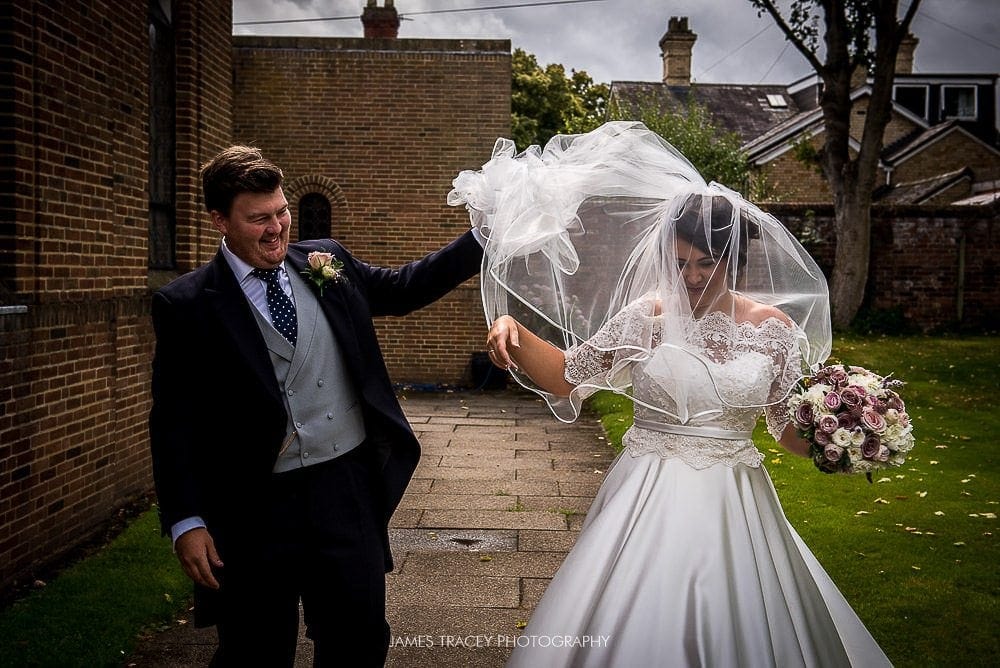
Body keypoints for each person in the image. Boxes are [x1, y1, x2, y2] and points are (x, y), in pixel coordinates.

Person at [449, 121, 891, 666]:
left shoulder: (775, 330)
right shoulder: (646, 319)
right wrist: (513, 329)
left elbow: (781, 427)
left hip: (737, 497)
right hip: (648, 488)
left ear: (733, 259)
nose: (692, 277)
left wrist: (840, 440)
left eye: (707, 262)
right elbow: (568, 375)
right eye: (679, 263)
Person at [149, 145, 483, 667]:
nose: (276, 227)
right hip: (253, 505)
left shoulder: (325, 260)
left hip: (344, 487)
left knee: (359, 638)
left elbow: (403, 287)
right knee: (254, 651)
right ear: (220, 220)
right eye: (258, 218)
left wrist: (482, 238)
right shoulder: (186, 304)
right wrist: (185, 519)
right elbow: (174, 420)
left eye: (281, 211)